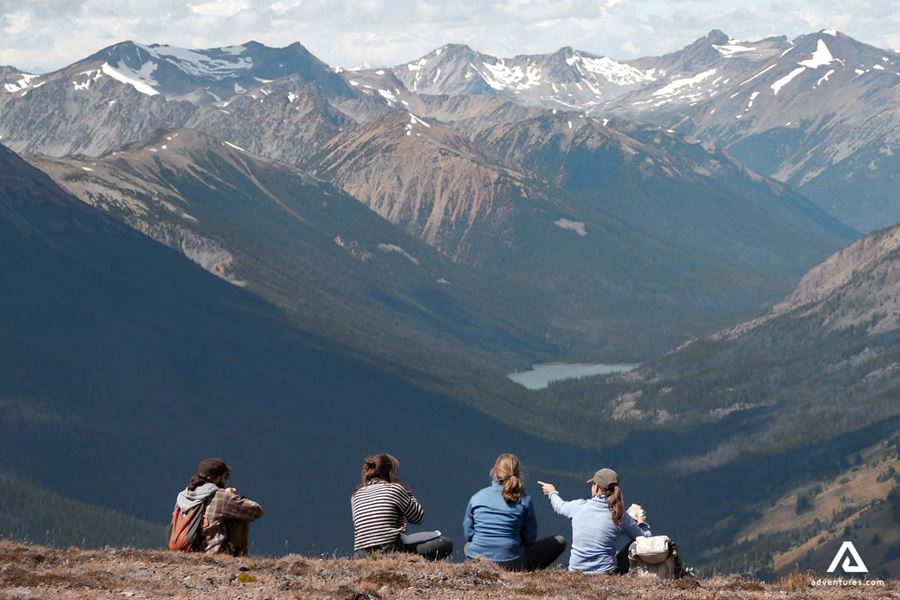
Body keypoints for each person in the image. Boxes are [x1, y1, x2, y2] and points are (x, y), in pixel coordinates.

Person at [463, 453, 566, 571]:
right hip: (511, 563)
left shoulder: (477, 498)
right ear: (518, 474)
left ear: (495, 472)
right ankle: (525, 572)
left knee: (468, 546)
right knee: (559, 541)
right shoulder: (524, 500)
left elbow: (469, 534)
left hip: (477, 560)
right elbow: (530, 538)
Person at [538, 467, 651, 574]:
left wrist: (552, 492)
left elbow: (560, 506)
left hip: (575, 571)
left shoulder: (578, 507)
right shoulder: (619, 515)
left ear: (596, 487)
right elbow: (645, 538)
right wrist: (641, 521)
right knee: (636, 544)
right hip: (605, 573)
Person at [351, 453, 452, 559]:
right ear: (390, 472)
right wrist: (407, 492)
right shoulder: (395, 489)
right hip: (389, 550)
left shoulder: (355, 495)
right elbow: (417, 517)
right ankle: (412, 564)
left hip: (360, 555)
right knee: (445, 543)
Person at [175, 457, 263, 556]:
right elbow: (256, 511)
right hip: (214, 553)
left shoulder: (182, 496)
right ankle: (241, 556)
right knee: (240, 517)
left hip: (184, 552)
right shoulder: (220, 496)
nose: (226, 481)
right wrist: (234, 497)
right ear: (216, 478)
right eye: (225, 476)